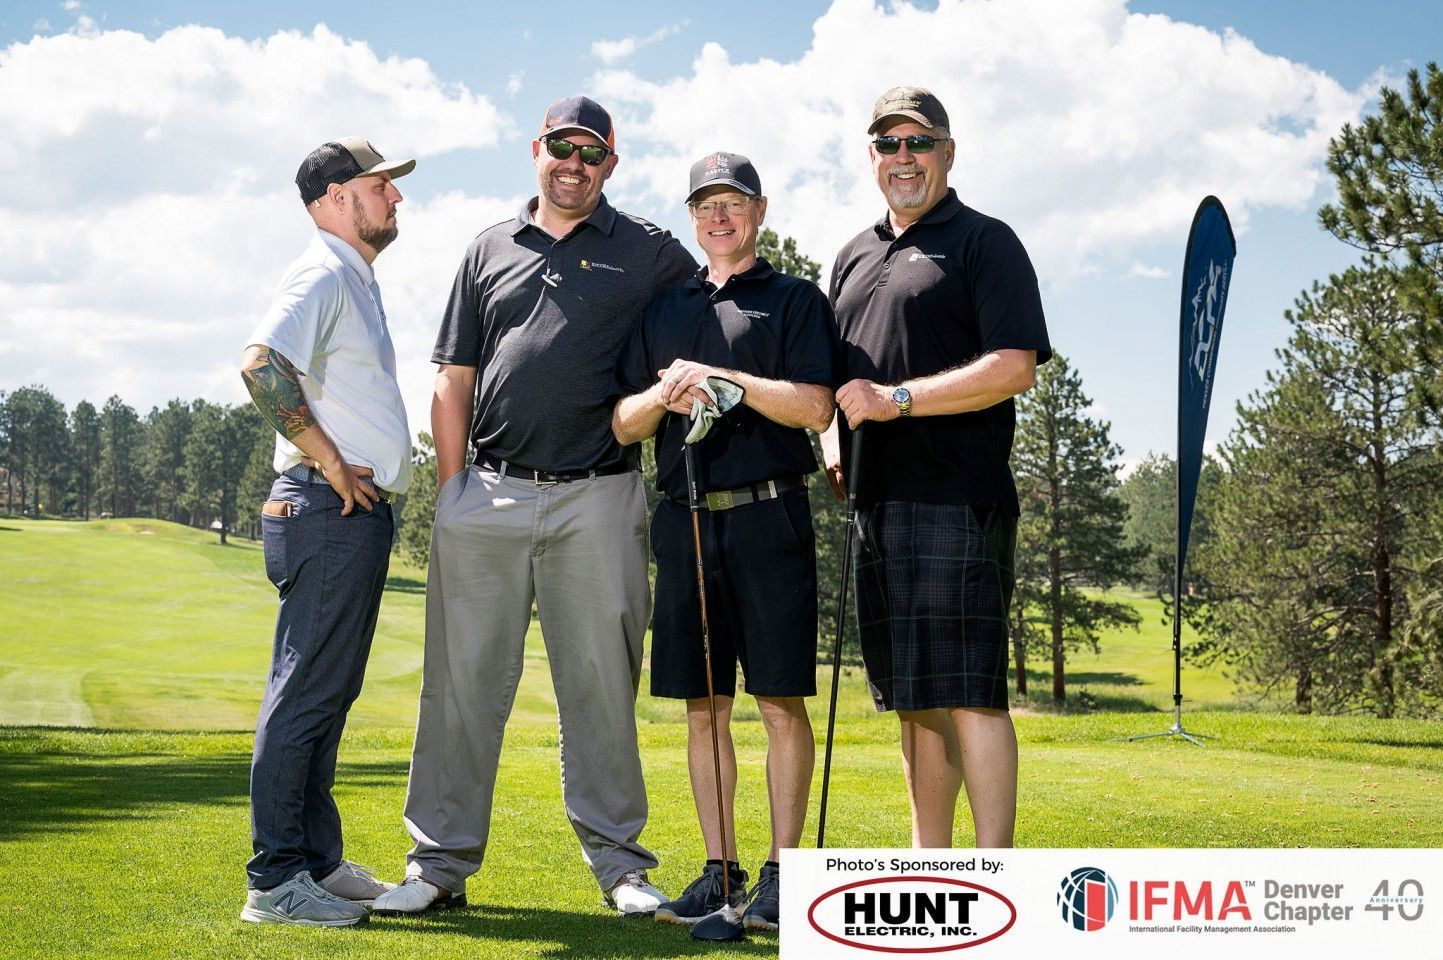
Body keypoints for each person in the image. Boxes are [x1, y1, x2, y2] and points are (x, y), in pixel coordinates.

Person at [372, 96, 698, 917]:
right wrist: (453, 491)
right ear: (536, 150)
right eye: (562, 147)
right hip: (487, 494)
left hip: (599, 493)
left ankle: (621, 869)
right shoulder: (487, 248)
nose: (574, 164)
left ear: (610, 163)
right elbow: (453, 378)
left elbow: (714, 310)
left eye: (591, 152)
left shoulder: (650, 251)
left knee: (600, 687)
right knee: (460, 686)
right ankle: (437, 866)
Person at [611, 153, 837, 930]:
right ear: (692, 216)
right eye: (705, 204)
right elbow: (623, 423)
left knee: (778, 700)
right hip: (686, 520)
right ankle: (719, 871)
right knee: (702, 708)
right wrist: (662, 395)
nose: (718, 216)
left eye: (732, 203)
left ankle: (781, 875)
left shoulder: (793, 299)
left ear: (758, 211)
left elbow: (814, 408)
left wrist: (728, 381)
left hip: (770, 516)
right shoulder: (662, 309)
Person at [822, 86, 1051, 849]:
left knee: (969, 695)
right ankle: (933, 864)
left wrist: (896, 400)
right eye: (888, 144)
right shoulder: (852, 256)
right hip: (877, 504)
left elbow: (1013, 366)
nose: (903, 157)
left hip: (958, 497)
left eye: (918, 142)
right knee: (914, 701)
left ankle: (996, 875)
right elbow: (833, 381)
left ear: (947, 152)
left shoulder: (985, 241)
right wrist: (831, 441)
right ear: (872, 157)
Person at [239, 137, 416, 926]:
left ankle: (315, 861)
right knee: (305, 693)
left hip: (348, 513)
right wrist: (333, 461)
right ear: (336, 198)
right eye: (381, 186)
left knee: (329, 694)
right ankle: (276, 882)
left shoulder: (353, 278)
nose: (395, 197)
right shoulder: (320, 272)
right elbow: (259, 365)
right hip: (326, 507)